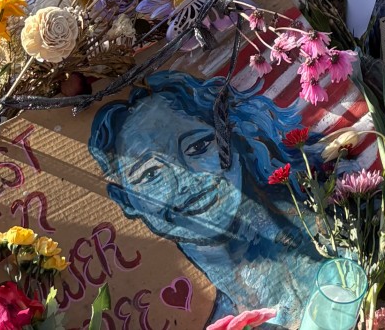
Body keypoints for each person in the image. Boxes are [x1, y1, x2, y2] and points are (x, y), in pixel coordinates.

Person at [89, 72, 322, 325]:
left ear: (231, 138)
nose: (186, 178)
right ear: (126, 201)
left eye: (198, 147)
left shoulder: (329, 238)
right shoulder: (212, 317)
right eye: (150, 174)